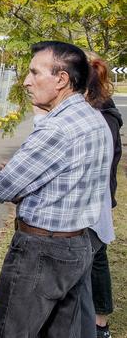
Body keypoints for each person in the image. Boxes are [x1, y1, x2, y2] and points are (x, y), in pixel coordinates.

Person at [0, 41, 112, 337]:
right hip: (78, 245)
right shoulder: (94, 118)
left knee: (9, 331)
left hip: (41, 252)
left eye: (34, 73)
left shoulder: (57, 128)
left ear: (62, 79)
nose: (27, 81)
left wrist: (12, 180)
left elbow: (0, 188)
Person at [83, 53, 122, 338]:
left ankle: (99, 324)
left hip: (94, 201)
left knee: (95, 259)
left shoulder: (102, 117)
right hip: (95, 199)